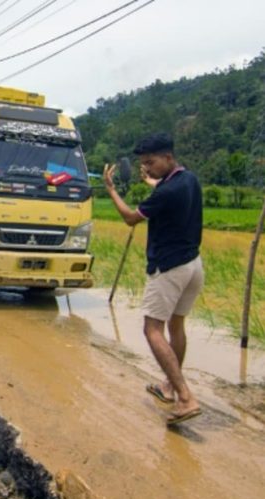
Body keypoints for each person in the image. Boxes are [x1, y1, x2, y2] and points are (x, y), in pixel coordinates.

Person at [103, 133, 203, 426]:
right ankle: (169, 386)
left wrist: (111, 190)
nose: (147, 168)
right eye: (144, 163)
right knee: (176, 325)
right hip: (193, 265)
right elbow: (166, 189)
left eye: (151, 162)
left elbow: (130, 218)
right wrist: (154, 183)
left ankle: (185, 397)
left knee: (152, 330)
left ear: (168, 158)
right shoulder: (188, 180)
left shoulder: (165, 193)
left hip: (168, 267)